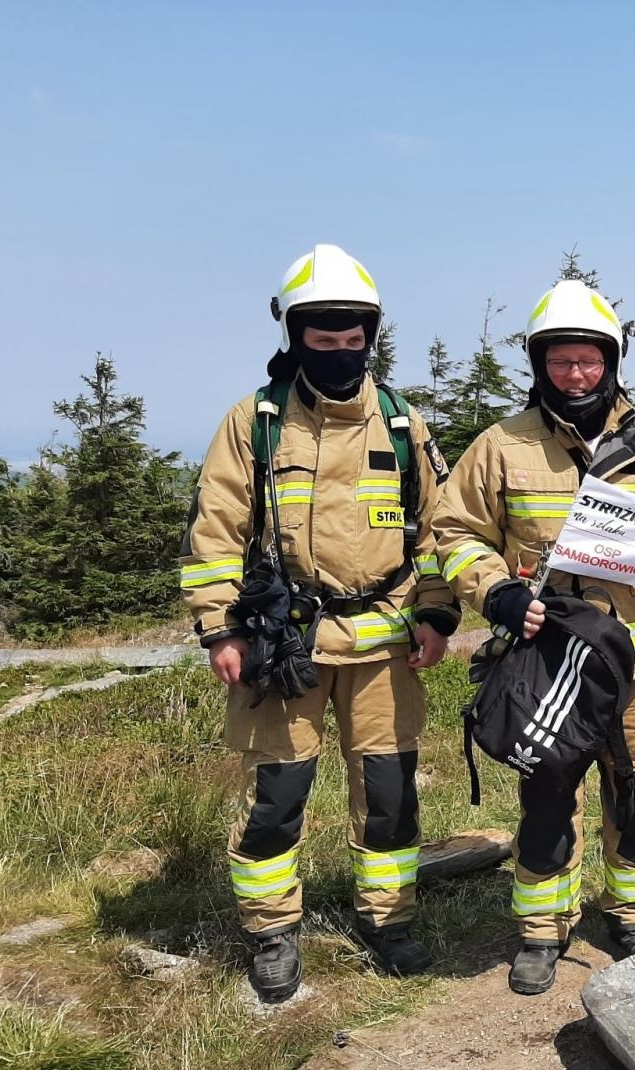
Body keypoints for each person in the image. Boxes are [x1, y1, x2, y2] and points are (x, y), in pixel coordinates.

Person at [434, 279, 635, 996]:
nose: (576, 375)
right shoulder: (501, 446)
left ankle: (632, 912)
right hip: (549, 661)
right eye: (561, 362)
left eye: (589, 361)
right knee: (548, 790)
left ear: (612, 362)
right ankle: (542, 927)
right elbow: (451, 531)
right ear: (540, 365)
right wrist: (494, 590)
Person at [180, 244, 460, 1003]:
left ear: (371, 335)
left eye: (351, 338)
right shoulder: (256, 423)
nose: (339, 352)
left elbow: (441, 529)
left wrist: (436, 613)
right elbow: (216, 529)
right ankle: (271, 932)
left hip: (386, 645)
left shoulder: (402, 423)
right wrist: (220, 627)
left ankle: (389, 918)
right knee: (276, 794)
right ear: (293, 334)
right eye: (321, 338)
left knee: (391, 791)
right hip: (286, 645)